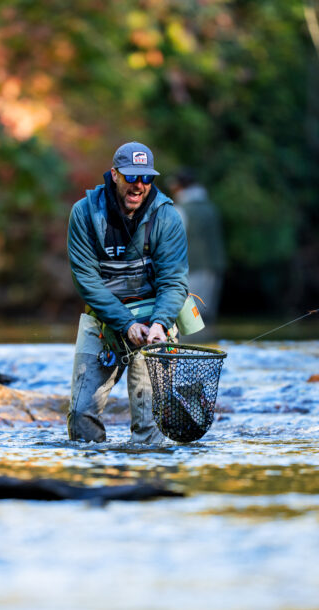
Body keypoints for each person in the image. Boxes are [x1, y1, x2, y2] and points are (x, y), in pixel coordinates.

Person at [66, 141, 189, 443]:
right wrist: (126, 323)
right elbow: (86, 281)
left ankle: (146, 485)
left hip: (155, 326)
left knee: (151, 429)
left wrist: (159, 324)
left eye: (146, 178)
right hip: (103, 324)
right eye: (131, 176)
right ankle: (94, 484)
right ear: (114, 174)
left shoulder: (167, 217)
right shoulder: (83, 213)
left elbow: (174, 281)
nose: (138, 185)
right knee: (81, 418)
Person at [170, 168, 225, 325]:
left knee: (190, 322)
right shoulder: (210, 208)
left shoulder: (181, 210)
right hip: (214, 269)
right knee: (206, 317)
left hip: (191, 270)